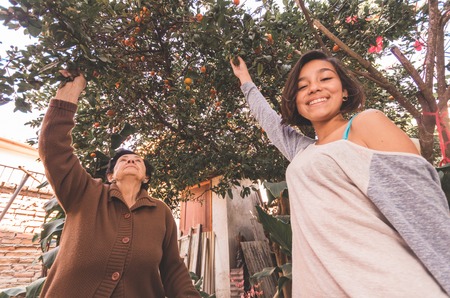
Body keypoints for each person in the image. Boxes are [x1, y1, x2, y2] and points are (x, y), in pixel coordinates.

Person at [230, 50, 450, 297]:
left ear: (344, 90)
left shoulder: (365, 124)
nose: (314, 88)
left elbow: (424, 209)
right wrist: (245, 80)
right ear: (296, 101)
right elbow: (270, 122)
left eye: (325, 79)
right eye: (303, 86)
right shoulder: (303, 152)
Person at [38, 70, 201, 297]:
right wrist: (72, 90)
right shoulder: (84, 193)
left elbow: (173, 268)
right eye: (123, 160)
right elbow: (54, 149)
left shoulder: (160, 212)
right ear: (111, 176)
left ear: (146, 177)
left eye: (138, 160)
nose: (131, 160)